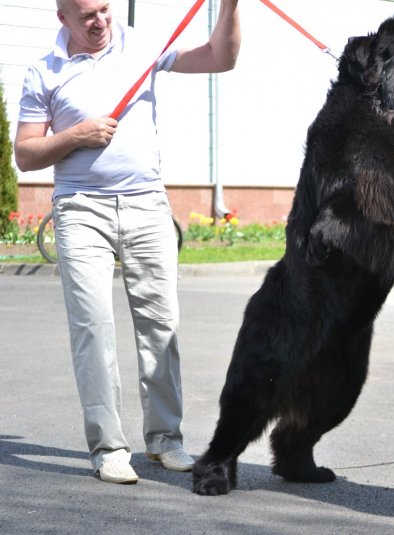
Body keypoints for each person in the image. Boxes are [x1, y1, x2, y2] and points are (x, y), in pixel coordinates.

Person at [13, 0, 240, 483]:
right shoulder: (44, 71)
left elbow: (220, 58)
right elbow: (26, 154)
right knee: (92, 328)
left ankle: (165, 440)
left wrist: (231, 7)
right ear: (64, 19)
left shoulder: (141, 44)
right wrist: (76, 134)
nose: (99, 22)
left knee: (161, 325)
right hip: (80, 210)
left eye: (104, 10)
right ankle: (108, 446)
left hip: (146, 205)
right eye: (86, 16)